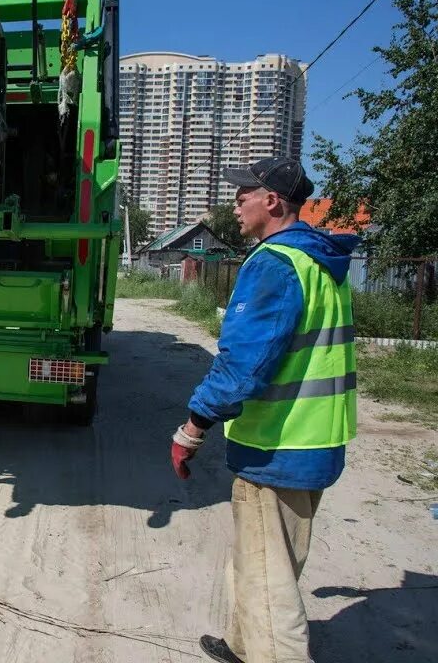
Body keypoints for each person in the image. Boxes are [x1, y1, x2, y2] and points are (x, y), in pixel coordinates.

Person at [170, 158, 360, 663]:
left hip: (277, 444)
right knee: (268, 560)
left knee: (269, 584)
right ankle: (241, 645)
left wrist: (192, 428)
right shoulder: (321, 261)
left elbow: (241, 367)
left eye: (242, 196)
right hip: (315, 440)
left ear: (271, 201)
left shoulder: (275, 263)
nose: (235, 206)